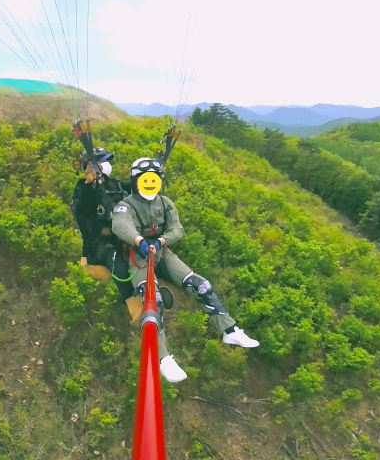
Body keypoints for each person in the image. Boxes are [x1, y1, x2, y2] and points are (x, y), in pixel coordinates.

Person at [112, 157, 259, 382]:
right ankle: (162, 358)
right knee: (153, 301)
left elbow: (177, 229)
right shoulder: (127, 205)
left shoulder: (165, 203)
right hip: (139, 256)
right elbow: (121, 224)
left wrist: (161, 241)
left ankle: (230, 330)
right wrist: (140, 241)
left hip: (162, 251)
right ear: (136, 181)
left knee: (200, 285)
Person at [71, 148, 135, 302]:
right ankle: (131, 301)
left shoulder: (114, 184)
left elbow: (137, 190)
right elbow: (83, 212)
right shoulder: (83, 188)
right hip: (100, 243)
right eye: (102, 161)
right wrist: (89, 183)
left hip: (123, 235)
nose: (106, 164)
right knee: (119, 266)